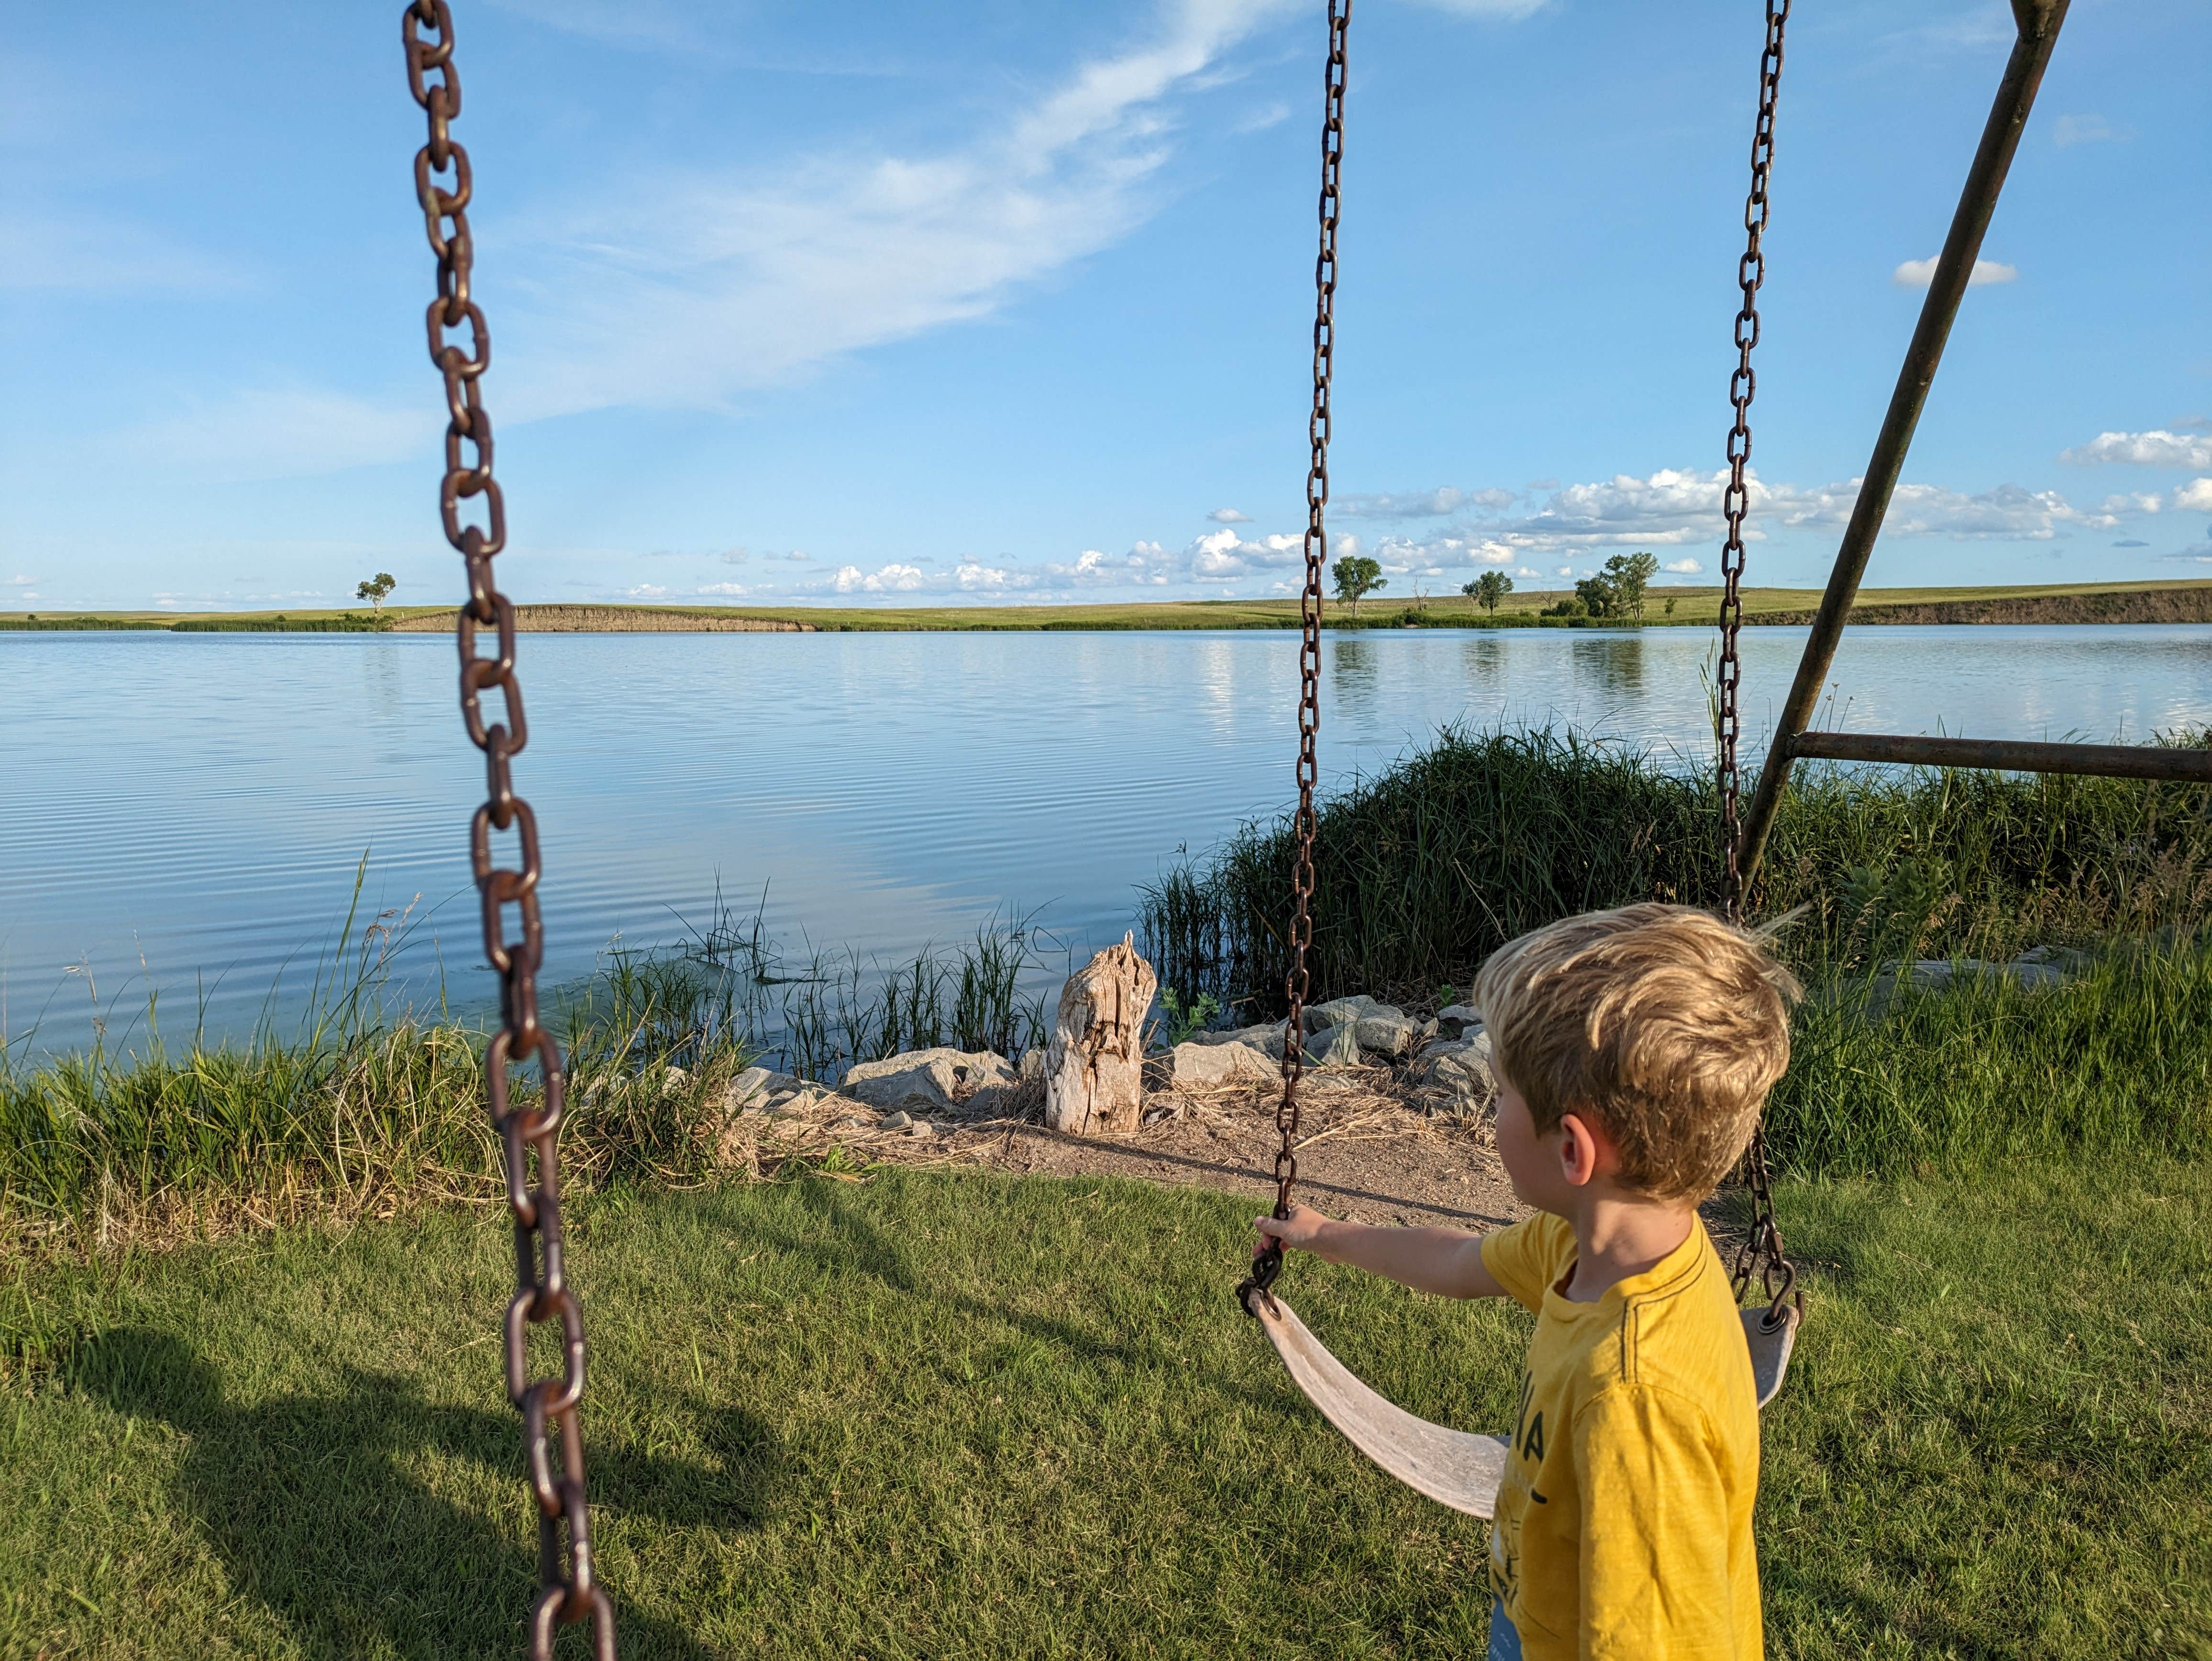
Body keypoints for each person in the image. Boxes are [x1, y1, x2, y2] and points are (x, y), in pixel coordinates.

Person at [1254, 903, 1799, 1661]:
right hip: (1537, 1613)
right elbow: (1458, 1260)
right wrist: (1324, 1236)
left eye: (1504, 1092)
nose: (1495, 1110)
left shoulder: (1636, 1404)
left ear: (1574, 1151)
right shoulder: (1598, 1245)